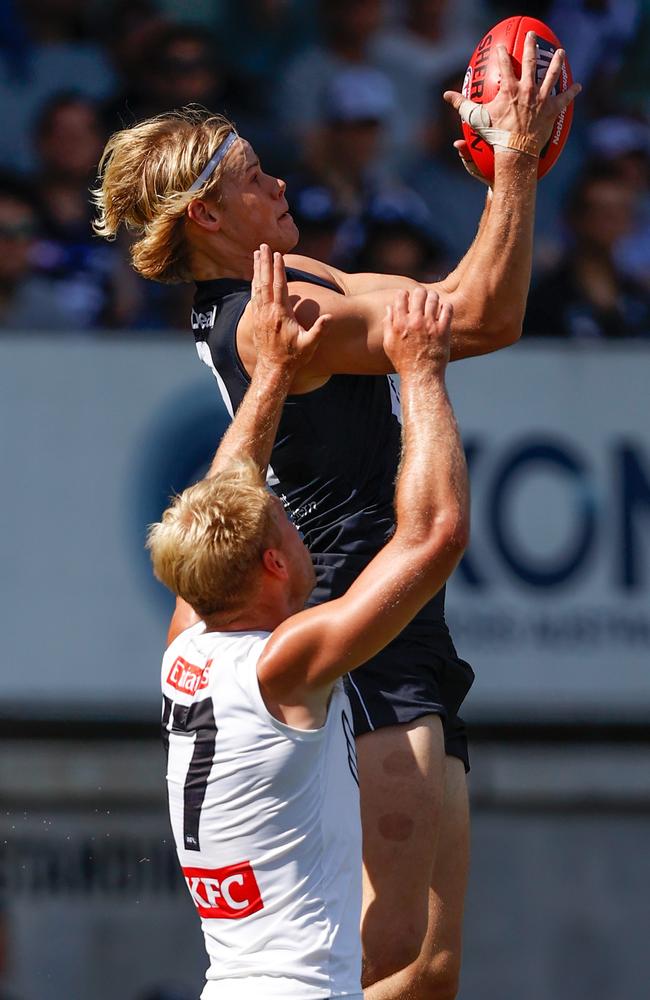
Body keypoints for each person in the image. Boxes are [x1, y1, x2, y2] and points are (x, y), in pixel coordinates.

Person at [94, 35, 580, 998]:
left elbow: (453, 311)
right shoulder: (258, 318)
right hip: (358, 615)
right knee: (385, 956)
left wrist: (500, 180)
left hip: (400, 616)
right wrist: (514, 164)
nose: (278, 178)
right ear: (206, 212)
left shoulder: (284, 277)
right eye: (251, 172)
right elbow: (475, 321)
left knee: (430, 969)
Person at [148, 250, 469, 1000]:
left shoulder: (185, 650)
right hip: (299, 994)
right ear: (270, 566)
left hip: (231, 986)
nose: (301, 530)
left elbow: (229, 487)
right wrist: (421, 373)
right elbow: (435, 536)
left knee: (428, 975)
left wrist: (269, 378)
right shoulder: (286, 669)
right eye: (288, 526)